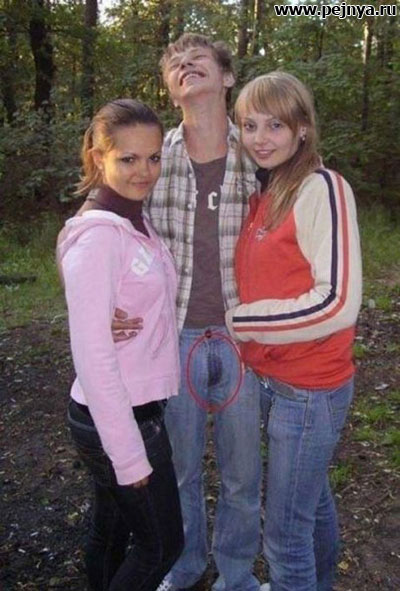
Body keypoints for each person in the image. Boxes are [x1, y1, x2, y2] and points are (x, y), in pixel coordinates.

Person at [111, 34, 265, 591]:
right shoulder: (156, 157)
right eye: (175, 63)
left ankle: (237, 574)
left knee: (243, 475)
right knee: (179, 471)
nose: (185, 64)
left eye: (198, 58)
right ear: (170, 89)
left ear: (227, 77)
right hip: (171, 337)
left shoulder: (259, 152)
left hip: (242, 337)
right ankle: (186, 564)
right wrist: (108, 301)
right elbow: (107, 225)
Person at [225, 72, 362, 591]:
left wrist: (242, 322)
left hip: (309, 390)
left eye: (275, 125)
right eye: (250, 125)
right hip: (275, 380)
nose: (260, 138)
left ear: (302, 128)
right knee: (311, 501)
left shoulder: (322, 187)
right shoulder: (267, 190)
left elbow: (337, 302)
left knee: (284, 536)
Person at [57, 99, 183, 591]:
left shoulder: (129, 220)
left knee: (109, 533)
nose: (144, 171)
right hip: (119, 418)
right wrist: (129, 455)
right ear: (98, 158)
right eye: (128, 159)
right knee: (161, 547)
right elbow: (93, 357)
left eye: (153, 157)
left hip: (120, 411)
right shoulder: (100, 236)